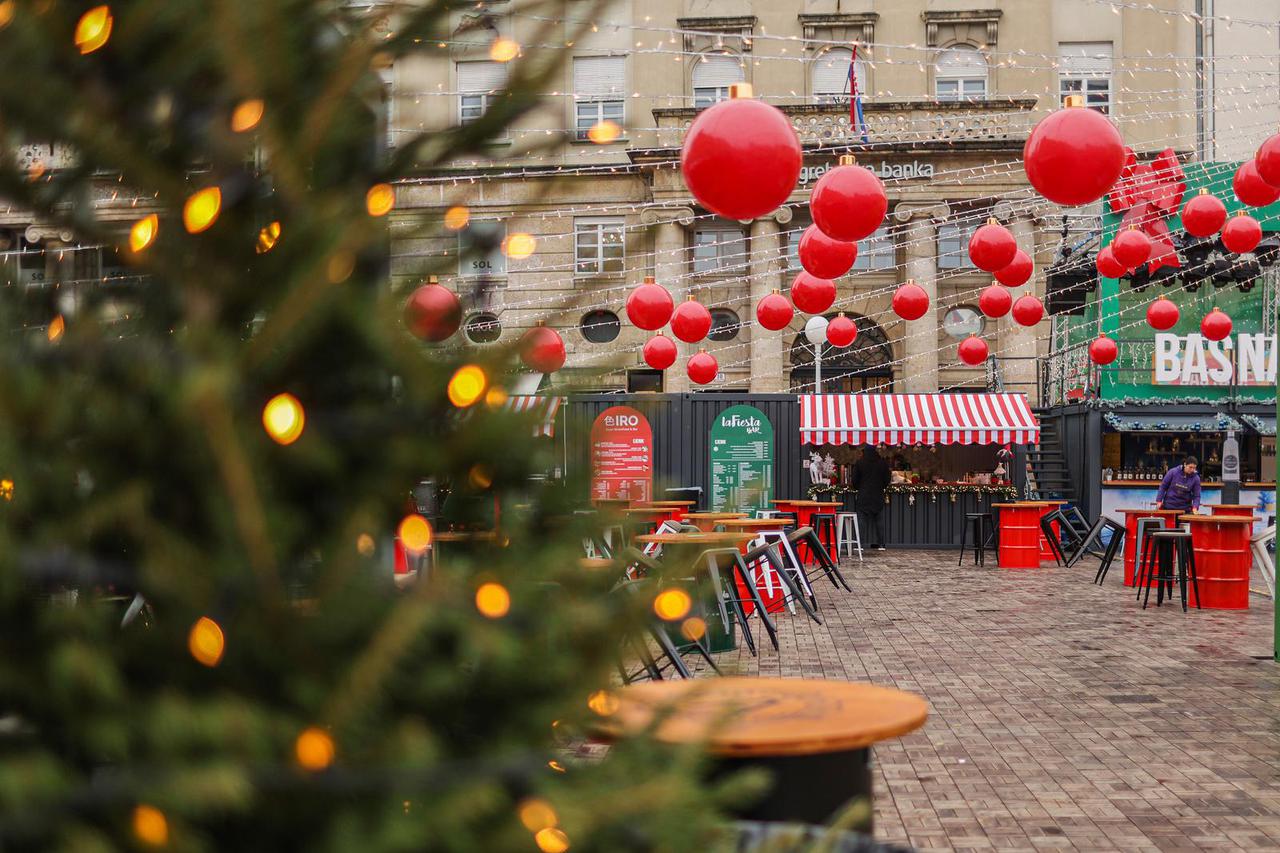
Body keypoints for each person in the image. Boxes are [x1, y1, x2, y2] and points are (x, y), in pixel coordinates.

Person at [851, 445, 891, 550]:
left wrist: (859, 487)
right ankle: (881, 544)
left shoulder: (860, 463)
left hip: (863, 494)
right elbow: (887, 479)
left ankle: (860, 545)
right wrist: (881, 486)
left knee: (861, 520)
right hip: (878, 494)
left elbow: (854, 480)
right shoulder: (882, 463)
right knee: (879, 520)